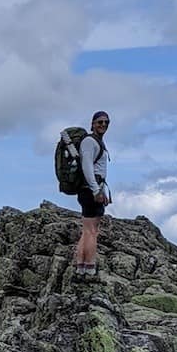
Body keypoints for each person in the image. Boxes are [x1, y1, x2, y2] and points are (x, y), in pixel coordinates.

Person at [74, 110, 110, 279]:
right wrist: (96, 190)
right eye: (100, 122)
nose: (103, 125)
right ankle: (89, 268)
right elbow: (87, 167)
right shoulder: (89, 142)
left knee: (87, 230)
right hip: (90, 190)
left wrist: (102, 190)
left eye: (106, 122)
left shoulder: (96, 142)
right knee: (92, 231)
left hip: (92, 188)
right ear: (92, 123)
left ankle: (81, 267)